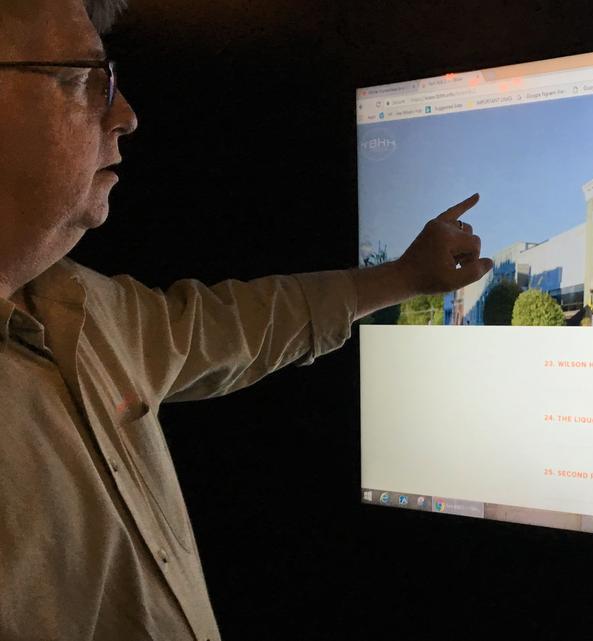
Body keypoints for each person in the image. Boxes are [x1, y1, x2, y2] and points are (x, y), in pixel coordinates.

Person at [0, 1, 492, 639]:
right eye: (80, 78)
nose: (124, 115)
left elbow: (235, 326)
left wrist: (403, 278)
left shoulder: (77, 305)